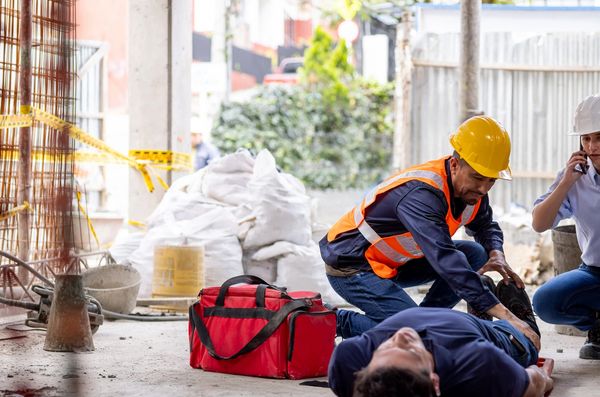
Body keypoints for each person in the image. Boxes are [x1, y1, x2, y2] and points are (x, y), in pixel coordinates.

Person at [320, 115, 539, 348]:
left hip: (392, 263)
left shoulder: (471, 190)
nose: (484, 188)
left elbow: (485, 225)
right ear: (455, 165)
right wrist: (507, 317)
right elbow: (446, 259)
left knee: (475, 253)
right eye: (477, 177)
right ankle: (337, 322)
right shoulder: (422, 195)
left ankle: (427, 320)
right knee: (414, 337)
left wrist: (496, 252)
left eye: (491, 180)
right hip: (352, 266)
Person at [328, 281, 552, 397]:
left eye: (383, 347)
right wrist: (541, 376)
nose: (402, 336)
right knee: (527, 342)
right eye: (412, 352)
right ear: (435, 382)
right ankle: (518, 323)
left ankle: (485, 304)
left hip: (438, 318)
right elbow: (536, 383)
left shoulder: (348, 362)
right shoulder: (478, 363)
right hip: (490, 337)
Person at [531, 94, 600, 360]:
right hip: (594, 273)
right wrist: (565, 184)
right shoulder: (575, 177)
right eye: (586, 138)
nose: (592, 147)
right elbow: (539, 223)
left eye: (599, 137)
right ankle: (597, 328)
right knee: (545, 301)